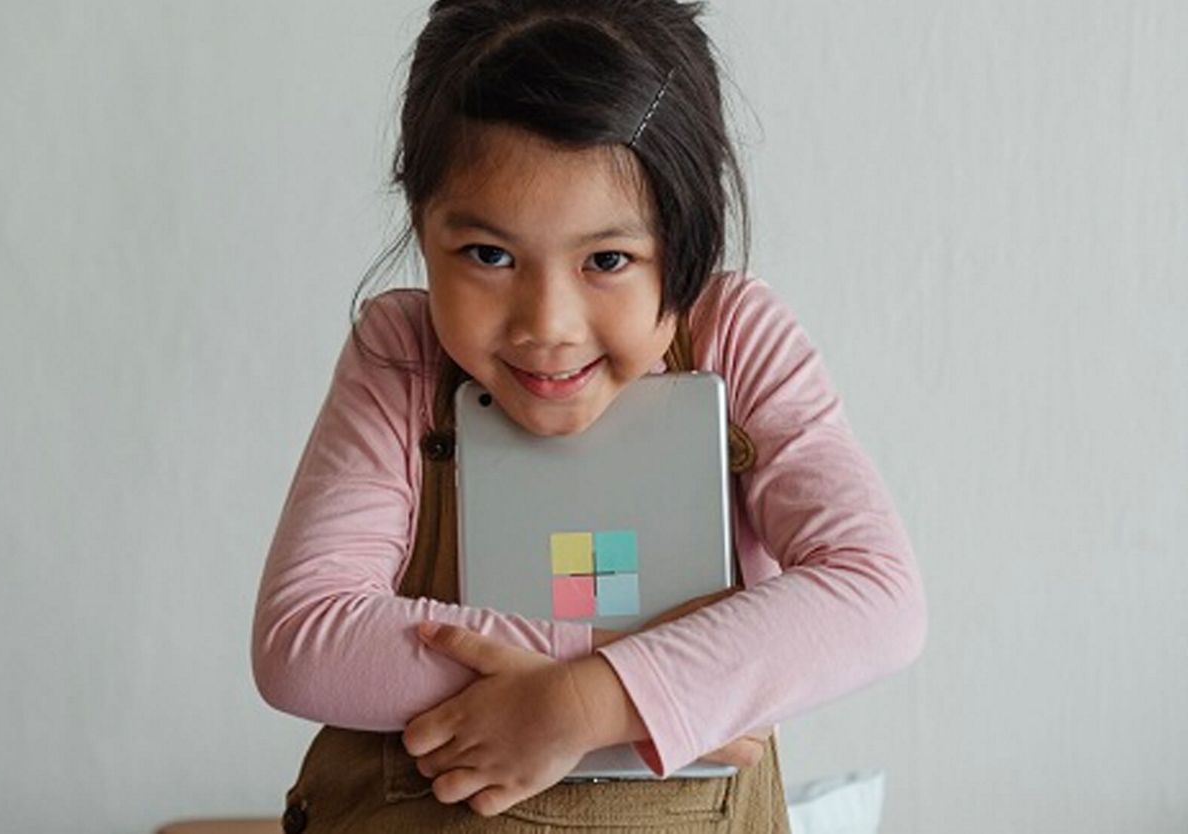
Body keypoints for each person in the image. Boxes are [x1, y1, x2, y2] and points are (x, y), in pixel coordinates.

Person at [252, 0, 926, 830]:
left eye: (609, 259)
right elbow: (303, 641)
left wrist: (589, 704)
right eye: (488, 255)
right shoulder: (399, 352)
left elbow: (875, 596)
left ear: (692, 239)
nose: (547, 324)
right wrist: (610, 678)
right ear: (421, 224)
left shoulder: (736, 338)